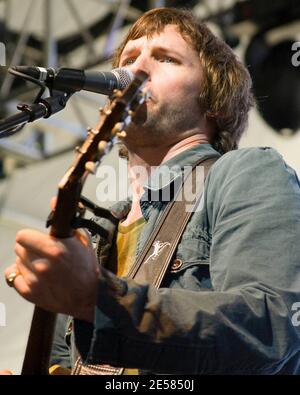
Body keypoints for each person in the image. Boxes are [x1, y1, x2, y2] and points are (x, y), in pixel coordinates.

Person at [4, 7, 300, 374]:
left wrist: (96, 298)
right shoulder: (99, 235)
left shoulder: (245, 172)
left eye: (165, 58)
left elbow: (271, 328)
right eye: (129, 58)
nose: (136, 70)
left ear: (212, 98)